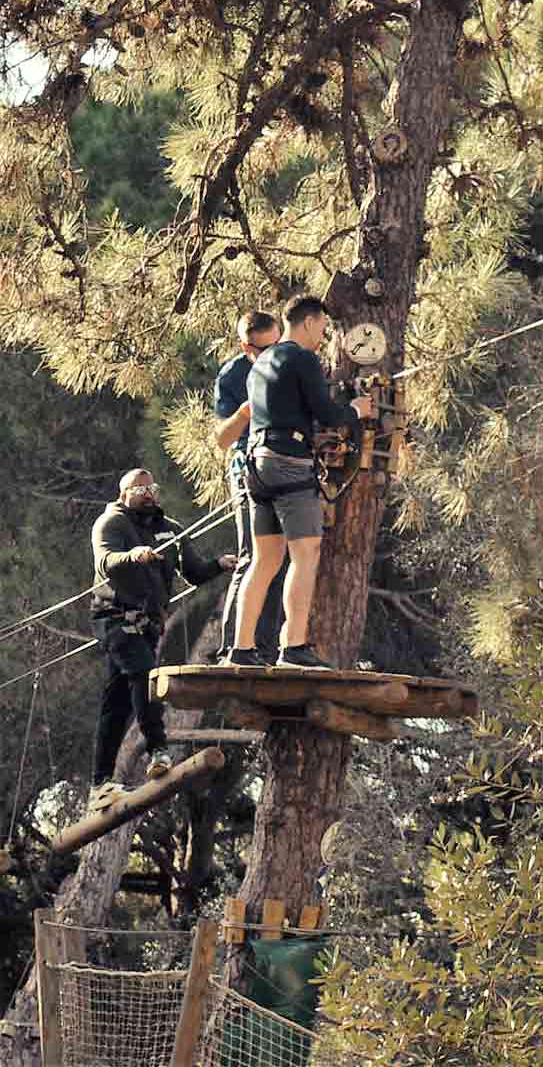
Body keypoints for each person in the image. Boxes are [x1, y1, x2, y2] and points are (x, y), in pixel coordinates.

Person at [223, 295, 372, 671]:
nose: (323, 336)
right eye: (322, 328)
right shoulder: (302, 358)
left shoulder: (258, 365)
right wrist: (355, 410)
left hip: (255, 467)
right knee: (306, 554)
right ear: (308, 322)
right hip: (289, 464)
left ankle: (240, 649)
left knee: (265, 560)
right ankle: (293, 647)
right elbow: (327, 414)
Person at [88, 469, 235, 812]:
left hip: (149, 625)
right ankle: (158, 748)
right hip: (115, 619)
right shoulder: (110, 523)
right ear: (123, 493)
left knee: (117, 705)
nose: (147, 493)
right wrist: (133, 555)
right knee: (145, 676)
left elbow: (193, 572)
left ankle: (100, 784)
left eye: (151, 487)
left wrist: (218, 564)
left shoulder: (169, 528)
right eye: (139, 488)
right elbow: (106, 562)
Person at [210, 308, 283, 659]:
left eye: (275, 345)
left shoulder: (290, 363)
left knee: (283, 558)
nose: (269, 355)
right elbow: (223, 439)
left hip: (285, 469)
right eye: (260, 349)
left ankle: (266, 645)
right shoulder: (233, 375)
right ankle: (233, 645)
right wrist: (245, 410)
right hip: (247, 468)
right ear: (245, 346)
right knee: (252, 557)